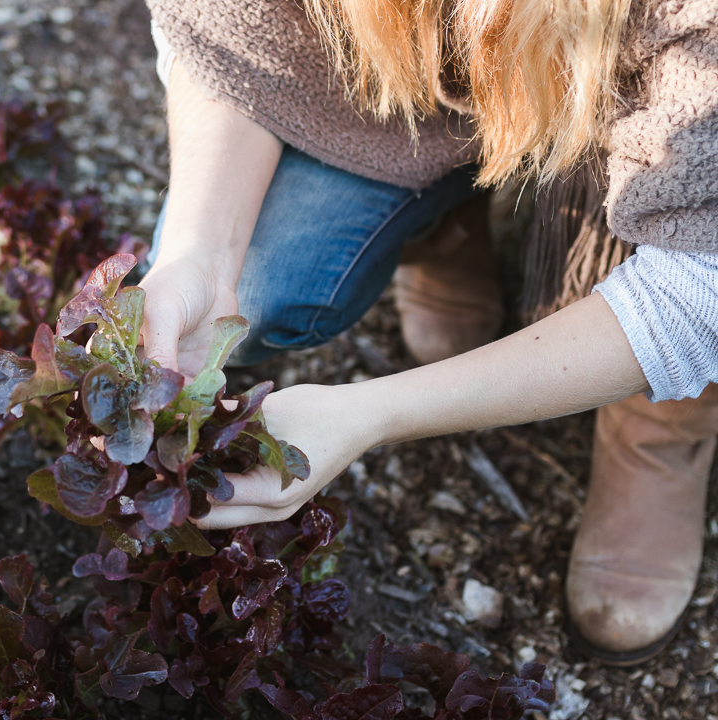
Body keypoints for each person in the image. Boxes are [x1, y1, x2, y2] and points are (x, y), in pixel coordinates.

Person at [137, 0, 718, 666]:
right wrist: (199, 253)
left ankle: (661, 428)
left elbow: (702, 283)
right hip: (409, 58)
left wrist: (369, 413)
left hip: (670, 95)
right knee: (258, 291)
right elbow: (221, 26)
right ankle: (447, 220)